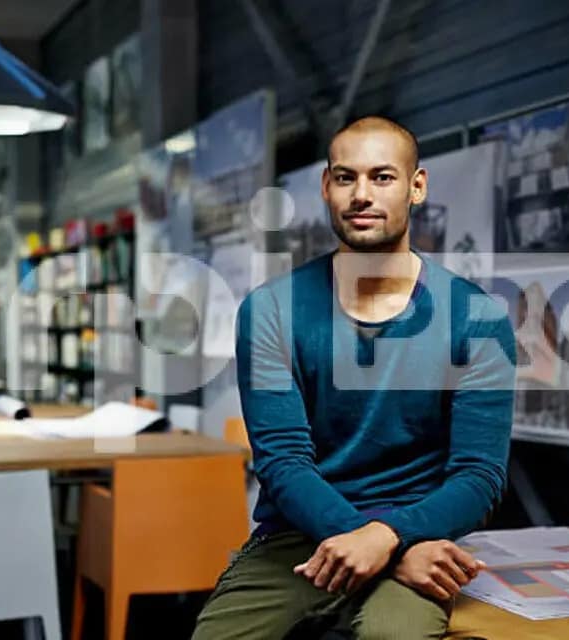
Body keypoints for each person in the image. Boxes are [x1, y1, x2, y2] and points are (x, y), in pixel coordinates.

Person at [191, 116, 517, 640]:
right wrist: (373, 545)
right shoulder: (271, 310)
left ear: (417, 187)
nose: (361, 194)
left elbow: (479, 476)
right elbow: (282, 462)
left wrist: (388, 538)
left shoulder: (478, 317)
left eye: (382, 177)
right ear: (326, 187)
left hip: (420, 531)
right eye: (346, 178)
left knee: (393, 637)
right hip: (300, 533)